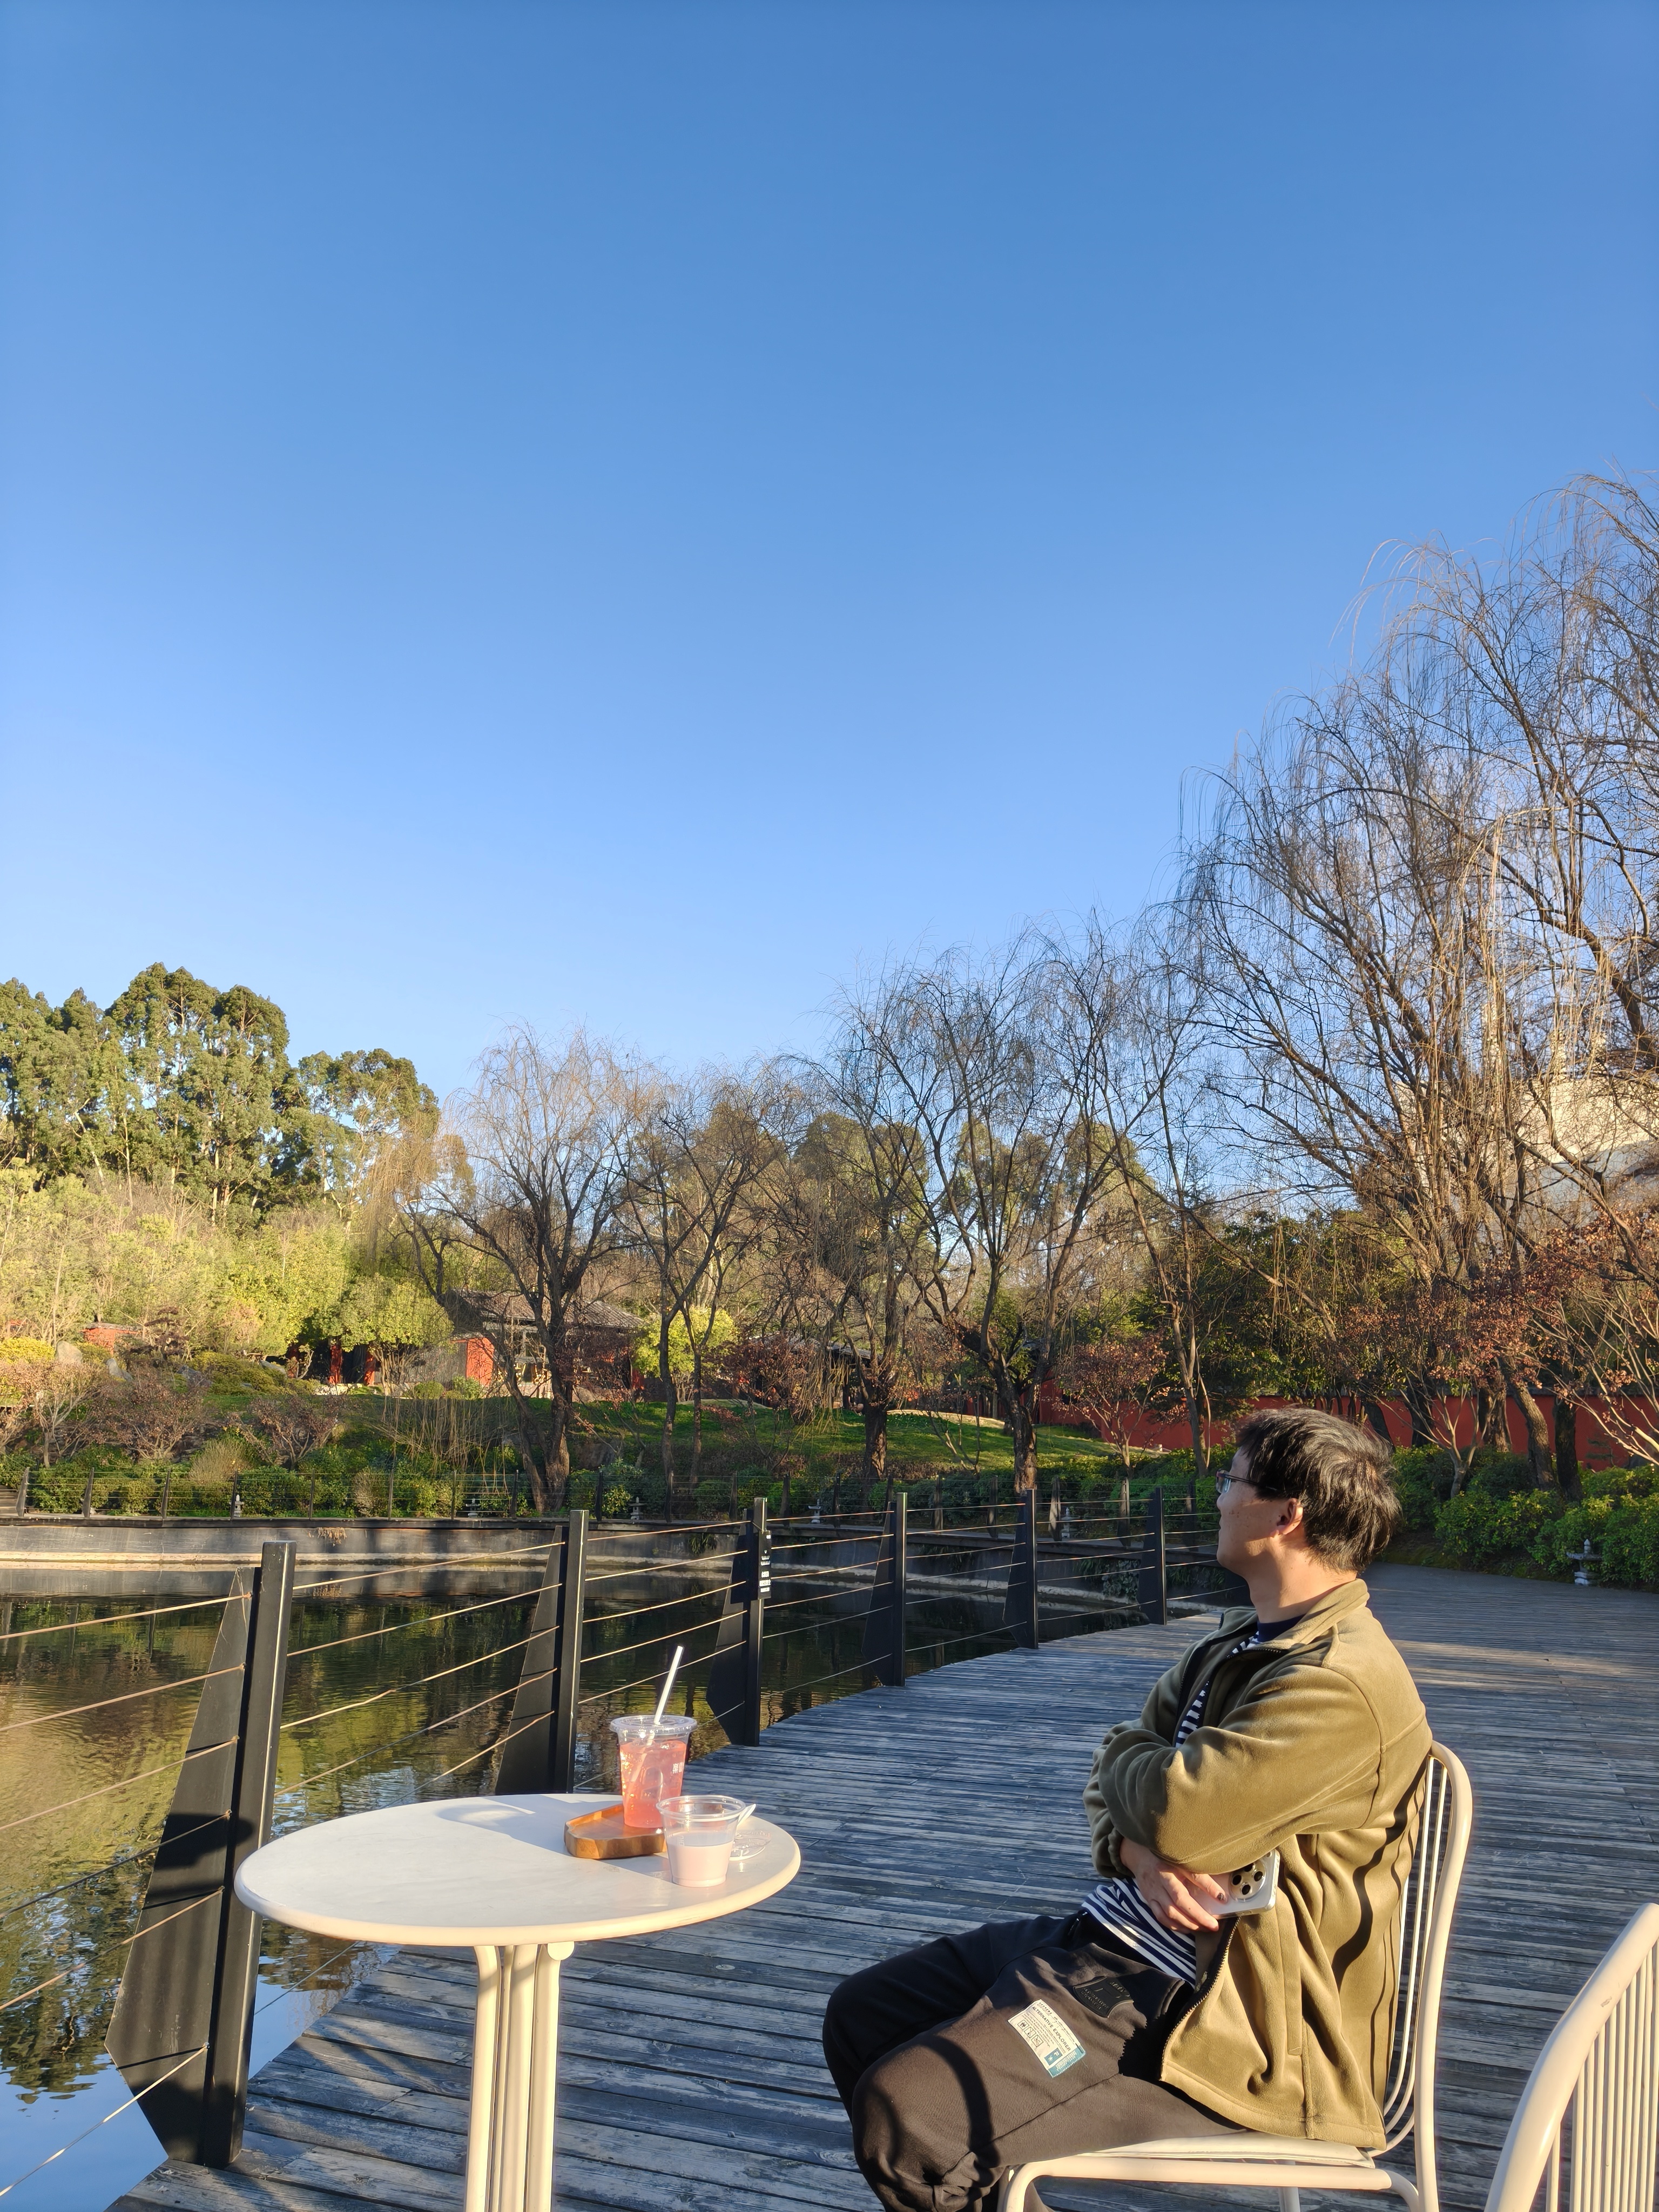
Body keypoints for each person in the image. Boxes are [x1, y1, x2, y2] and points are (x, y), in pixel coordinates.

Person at [821, 1406, 1432, 2212]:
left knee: (910, 2120)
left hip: (1213, 2014)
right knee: (864, 2015)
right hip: (1110, 1941)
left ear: (1287, 1515)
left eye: (1232, 1481)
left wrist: (1130, 1770)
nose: (1219, 1499)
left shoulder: (1341, 1683)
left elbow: (1173, 1807)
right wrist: (1138, 1854)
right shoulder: (1240, 1642)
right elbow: (1125, 1790)